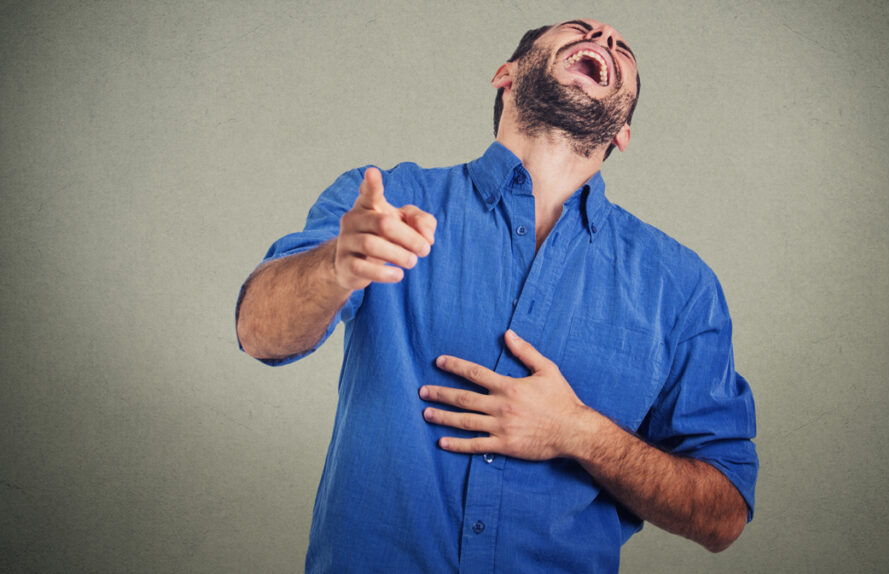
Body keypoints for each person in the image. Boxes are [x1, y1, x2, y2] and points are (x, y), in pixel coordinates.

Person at [236, 18, 758, 573]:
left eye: (622, 48)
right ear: (506, 74)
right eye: (579, 30)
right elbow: (258, 333)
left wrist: (579, 431)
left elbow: (722, 515)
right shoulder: (390, 198)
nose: (605, 36)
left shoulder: (679, 285)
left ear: (622, 131)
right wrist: (334, 267)